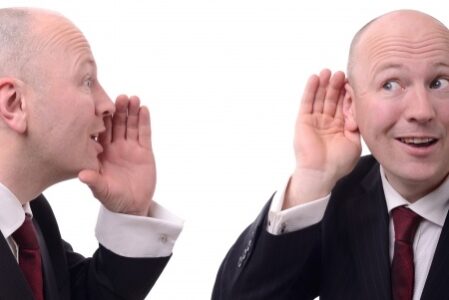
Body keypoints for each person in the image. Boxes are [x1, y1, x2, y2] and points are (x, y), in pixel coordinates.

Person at [213, 9, 449, 300]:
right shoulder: (336, 198)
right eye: (390, 84)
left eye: (440, 82)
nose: (422, 111)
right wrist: (311, 179)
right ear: (350, 105)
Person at [0, 7, 183, 300]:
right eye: (87, 81)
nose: (108, 104)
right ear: (14, 103)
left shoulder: (34, 221)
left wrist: (130, 212)